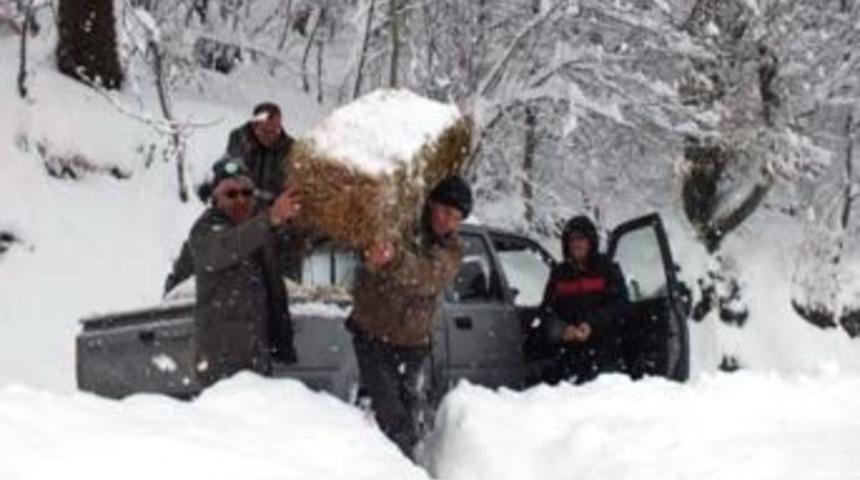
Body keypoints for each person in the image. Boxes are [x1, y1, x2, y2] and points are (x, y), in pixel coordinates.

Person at [347, 175, 472, 459]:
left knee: (412, 414)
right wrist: (371, 253)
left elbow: (428, 276)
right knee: (392, 415)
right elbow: (366, 242)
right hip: (371, 336)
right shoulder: (399, 225)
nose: (447, 221)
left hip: (413, 344)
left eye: (455, 217)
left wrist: (394, 260)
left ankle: (409, 463)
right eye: (443, 210)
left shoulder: (452, 249)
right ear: (430, 204)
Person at [188, 156, 301, 387]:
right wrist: (271, 217)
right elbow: (226, 248)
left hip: (256, 358)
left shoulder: (258, 231)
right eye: (231, 194)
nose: (240, 199)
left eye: (246, 193)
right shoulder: (206, 230)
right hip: (221, 363)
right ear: (215, 199)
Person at [539, 215, 629, 385]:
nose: (576, 243)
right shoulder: (559, 273)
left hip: (604, 351)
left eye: (581, 238)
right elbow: (546, 311)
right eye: (572, 239)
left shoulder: (607, 268)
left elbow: (620, 305)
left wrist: (592, 324)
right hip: (568, 353)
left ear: (590, 241)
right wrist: (563, 330)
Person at [225, 102, 295, 203]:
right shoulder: (239, 139)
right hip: (240, 204)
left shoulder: (291, 148)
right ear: (254, 126)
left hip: (274, 209)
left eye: (275, 130)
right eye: (265, 131)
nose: (271, 136)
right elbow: (229, 169)